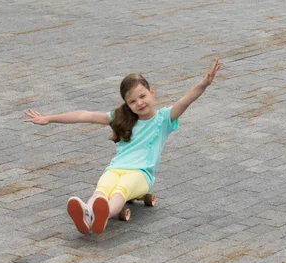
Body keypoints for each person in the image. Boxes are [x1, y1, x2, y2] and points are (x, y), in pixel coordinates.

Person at [24, 60, 220, 234]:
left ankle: (102, 215)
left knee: (120, 191)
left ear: (151, 92)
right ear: (127, 104)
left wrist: (204, 83)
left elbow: (186, 100)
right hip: (115, 169)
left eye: (142, 96)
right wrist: (49, 119)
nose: (139, 103)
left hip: (141, 174)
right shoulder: (123, 118)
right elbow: (85, 115)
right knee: (102, 190)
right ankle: (88, 214)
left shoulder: (164, 119)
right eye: (132, 101)